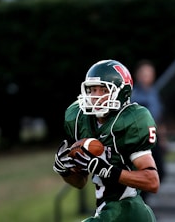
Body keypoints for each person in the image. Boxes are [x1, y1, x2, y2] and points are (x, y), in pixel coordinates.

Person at [53, 59, 159, 221]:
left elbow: (152, 182)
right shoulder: (81, 119)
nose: (95, 96)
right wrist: (65, 171)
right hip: (107, 210)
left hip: (128, 210)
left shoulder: (131, 120)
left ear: (121, 92)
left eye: (103, 90)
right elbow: (80, 182)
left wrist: (108, 171)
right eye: (92, 90)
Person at [131, 59, 167, 202]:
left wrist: (163, 138)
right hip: (140, 139)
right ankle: (140, 205)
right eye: (144, 74)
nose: (147, 77)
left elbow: (158, 116)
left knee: (160, 172)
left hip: (154, 137)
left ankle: (143, 203)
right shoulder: (133, 95)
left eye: (149, 74)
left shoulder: (153, 93)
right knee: (143, 172)